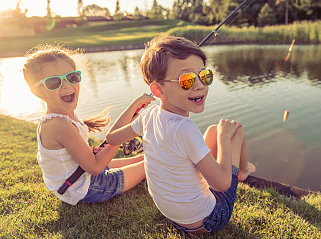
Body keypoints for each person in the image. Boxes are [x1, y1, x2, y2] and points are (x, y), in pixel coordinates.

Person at [106, 35, 256, 234]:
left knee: (211, 130)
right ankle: (244, 170)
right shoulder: (184, 129)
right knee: (235, 131)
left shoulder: (148, 115)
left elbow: (111, 138)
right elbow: (221, 185)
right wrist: (223, 138)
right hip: (207, 220)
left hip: (173, 215)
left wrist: (134, 106)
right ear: (158, 90)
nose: (200, 85)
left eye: (204, 75)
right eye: (187, 80)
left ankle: (241, 168)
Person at [23, 44, 154, 205]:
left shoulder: (63, 116)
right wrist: (120, 138)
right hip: (86, 188)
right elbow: (96, 167)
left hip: (79, 178)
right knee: (154, 163)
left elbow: (106, 143)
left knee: (146, 158)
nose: (65, 85)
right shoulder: (58, 124)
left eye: (71, 77)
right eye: (53, 82)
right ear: (36, 91)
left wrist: (133, 106)